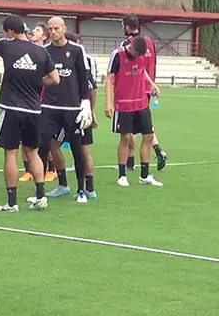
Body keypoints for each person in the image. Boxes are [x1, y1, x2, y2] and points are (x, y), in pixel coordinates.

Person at [0, 14, 59, 212]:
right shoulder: (41, 52)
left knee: (10, 154)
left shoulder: (6, 45)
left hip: (11, 108)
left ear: (10, 31)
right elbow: (55, 78)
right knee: (32, 152)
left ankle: (12, 202)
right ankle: (41, 196)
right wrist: (37, 81)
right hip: (34, 109)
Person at [39, 17, 93, 203]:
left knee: (78, 150)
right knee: (45, 146)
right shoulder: (44, 51)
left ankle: (81, 189)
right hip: (49, 107)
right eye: (50, 29)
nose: (53, 32)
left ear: (64, 29)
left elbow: (83, 78)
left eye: (56, 28)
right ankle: (52, 187)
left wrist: (85, 103)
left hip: (72, 108)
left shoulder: (76, 50)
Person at [105, 35, 163, 187]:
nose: (138, 57)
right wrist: (108, 103)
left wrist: (152, 84)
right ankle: (122, 175)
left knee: (149, 136)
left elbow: (142, 71)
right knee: (126, 138)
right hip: (124, 104)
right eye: (137, 54)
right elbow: (109, 79)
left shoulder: (141, 56)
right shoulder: (117, 55)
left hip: (141, 103)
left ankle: (144, 175)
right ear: (131, 47)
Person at [119, 14, 168, 174]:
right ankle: (157, 150)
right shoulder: (149, 42)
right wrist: (152, 84)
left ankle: (131, 162)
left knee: (129, 131)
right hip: (146, 89)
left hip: (134, 90)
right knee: (145, 129)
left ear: (126, 26)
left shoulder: (128, 45)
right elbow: (151, 64)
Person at [19, 21, 58, 183]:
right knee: (22, 139)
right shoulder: (27, 50)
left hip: (42, 101)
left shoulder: (45, 54)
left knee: (42, 140)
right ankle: (28, 170)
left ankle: (51, 168)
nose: (33, 32)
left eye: (37, 30)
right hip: (25, 101)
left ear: (43, 36)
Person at [65, 32, 98, 199]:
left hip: (80, 111)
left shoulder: (86, 60)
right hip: (63, 109)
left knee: (84, 150)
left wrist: (91, 111)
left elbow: (91, 87)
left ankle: (89, 188)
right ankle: (63, 183)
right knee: (53, 144)